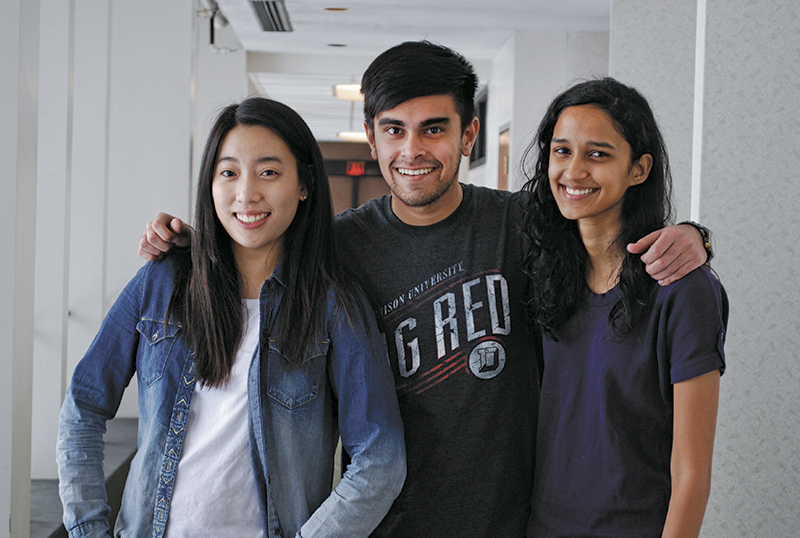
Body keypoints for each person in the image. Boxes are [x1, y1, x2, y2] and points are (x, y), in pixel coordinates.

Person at [138, 42, 710, 537]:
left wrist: (694, 235)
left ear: (470, 134)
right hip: (384, 525)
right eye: (394, 129)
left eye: (434, 129)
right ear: (371, 136)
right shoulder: (332, 250)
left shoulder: (524, 224)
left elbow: (602, 213)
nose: (412, 150)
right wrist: (185, 244)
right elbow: (247, 246)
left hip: (515, 523)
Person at [57, 97, 406, 538]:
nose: (246, 193)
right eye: (229, 172)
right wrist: (87, 529)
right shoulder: (162, 283)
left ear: (304, 185)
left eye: (269, 172)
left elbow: (381, 460)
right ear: (210, 183)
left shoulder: (335, 307)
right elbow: (83, 405)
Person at [522, 77, 727, 537]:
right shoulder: (544, 269)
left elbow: (692, 471)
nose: (573, 172)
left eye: (598, 154)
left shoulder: (681, 289)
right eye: (561, 151)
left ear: (639, 168)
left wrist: (698, 235)